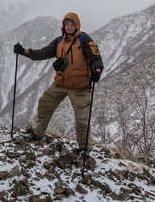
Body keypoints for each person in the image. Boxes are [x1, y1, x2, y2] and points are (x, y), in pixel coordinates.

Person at [13, 12, 103, 155]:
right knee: (44, 103)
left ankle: (84, 148)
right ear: (63, 26)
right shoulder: (59, 41)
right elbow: (42, 53)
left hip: (80, 87)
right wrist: (23, 51)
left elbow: (95, 57)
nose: (69, 27)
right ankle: (38, 134)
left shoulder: (84, 39)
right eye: (66, 24)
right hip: (60, 84)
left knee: (82, 119)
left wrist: (97, 70)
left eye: (71, 24)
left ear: (76, 25)